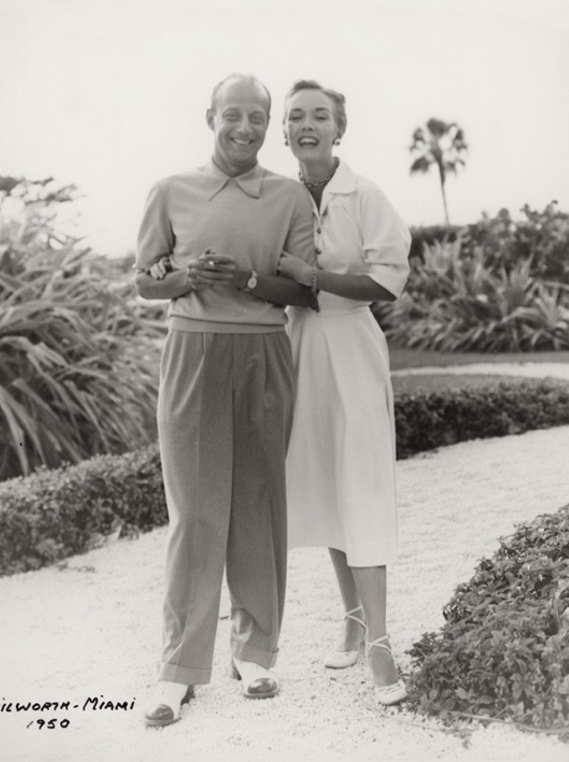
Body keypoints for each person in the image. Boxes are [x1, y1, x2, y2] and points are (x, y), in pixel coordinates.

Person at [135, 73, 316, 727]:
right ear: (209, 115)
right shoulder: (170, 191)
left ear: (268, 124)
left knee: (259, 503)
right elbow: (145, 281)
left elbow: (303, 293)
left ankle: (256, 651)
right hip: (193, 352)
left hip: (265, 355)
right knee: (196, 511)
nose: (244, 128)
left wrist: (246, 278)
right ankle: (178, 669)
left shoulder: (290, 196)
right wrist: (186, 277)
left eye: (257, 118)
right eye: (232, 115)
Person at [278, 80, 411, 706]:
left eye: (320, 116)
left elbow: (386, 282)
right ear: (284, 131)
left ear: (339, 128)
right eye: (296, 116)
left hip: (351, 347)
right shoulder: (277, 196)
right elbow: (270, 277)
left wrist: (314, 276)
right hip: (300, 348)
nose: (308, 125)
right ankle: (354, 621)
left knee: (360, 482)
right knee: (329, 485)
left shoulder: (366, 193)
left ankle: (381, 642)